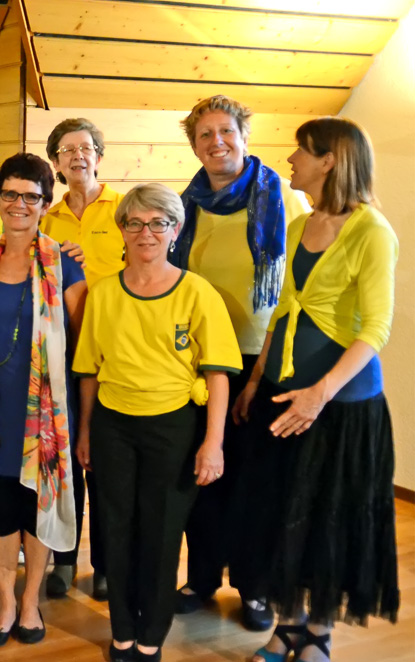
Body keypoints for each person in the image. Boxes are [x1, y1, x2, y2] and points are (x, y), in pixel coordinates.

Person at [233, 118, 399, 662]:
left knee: (329, 521)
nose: (291, 159)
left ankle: (319, 636)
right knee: (283, 515)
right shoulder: (302, 222)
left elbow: (376, 329)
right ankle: (288, 627)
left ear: (329, 160)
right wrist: (256, 381)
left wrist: (319, 394)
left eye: (300, 150)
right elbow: (285, 308)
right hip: (282, 394)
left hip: (340, 408)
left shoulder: (372, 231)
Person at [74, 183, 242, 662]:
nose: (145, 232)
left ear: (175, 230)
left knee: (161, 534)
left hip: (174, 429)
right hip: (112, 427)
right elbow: (89, 371)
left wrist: (214, 443)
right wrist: (85, 432)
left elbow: (218, 373)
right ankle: (122, 630)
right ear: (122, 230)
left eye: (158, 223)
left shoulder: (198, 292)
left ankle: (152, 634)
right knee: (116, 528)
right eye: (134, 223)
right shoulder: (104, 293)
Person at [171, 95, 310, 630]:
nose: (217, 142)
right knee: (203, 475)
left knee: (256, 482)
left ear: (244, 137)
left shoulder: (282, 199)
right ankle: (203, 577)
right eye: (204, 134)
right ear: (195, 146)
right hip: (200, 358)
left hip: (261, 360)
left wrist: (259, 374)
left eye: (226, 131)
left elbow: (294, 293)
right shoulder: (188, 203)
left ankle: (255, 589)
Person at [0, 153, 86, 647]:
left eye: (31, 196)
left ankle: (31, 601)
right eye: (10, 194)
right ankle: (6, 601)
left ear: (45, 204)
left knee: (36, 505)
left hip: (44, 415)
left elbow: (83, 347)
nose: (19, 204)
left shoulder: (64, 265)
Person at [39, 117, 123, 599]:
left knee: (106, 466)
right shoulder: (46, 218)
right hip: (65, 353)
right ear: (56, 162)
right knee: (68, 461)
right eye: (67, 150)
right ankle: (65, 560)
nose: (77, 156)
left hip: (115, 351)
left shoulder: (124, 208)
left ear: (98, 156)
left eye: (85, 147)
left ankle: (107, 565)